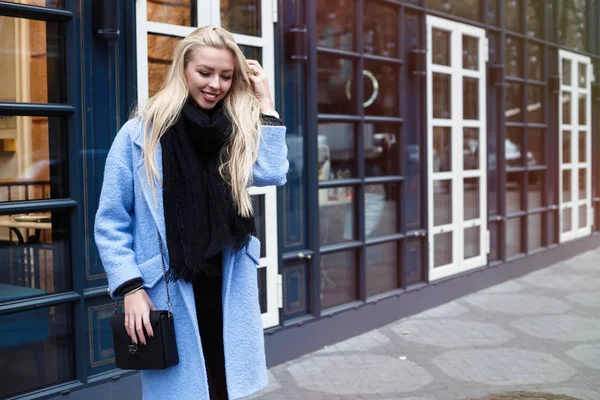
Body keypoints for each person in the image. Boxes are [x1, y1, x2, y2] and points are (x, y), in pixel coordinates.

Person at [94, 26, 288, 400]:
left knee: (224, 383)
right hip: (169, 286)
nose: (215, 84)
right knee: (184, 389)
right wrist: (131, 287)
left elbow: (272, 172)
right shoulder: (141, 133)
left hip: (227, 279)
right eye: (205, 72)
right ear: (183, 69)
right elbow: (111, 220)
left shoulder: (238, 130)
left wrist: (264, 102)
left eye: (226, 76)